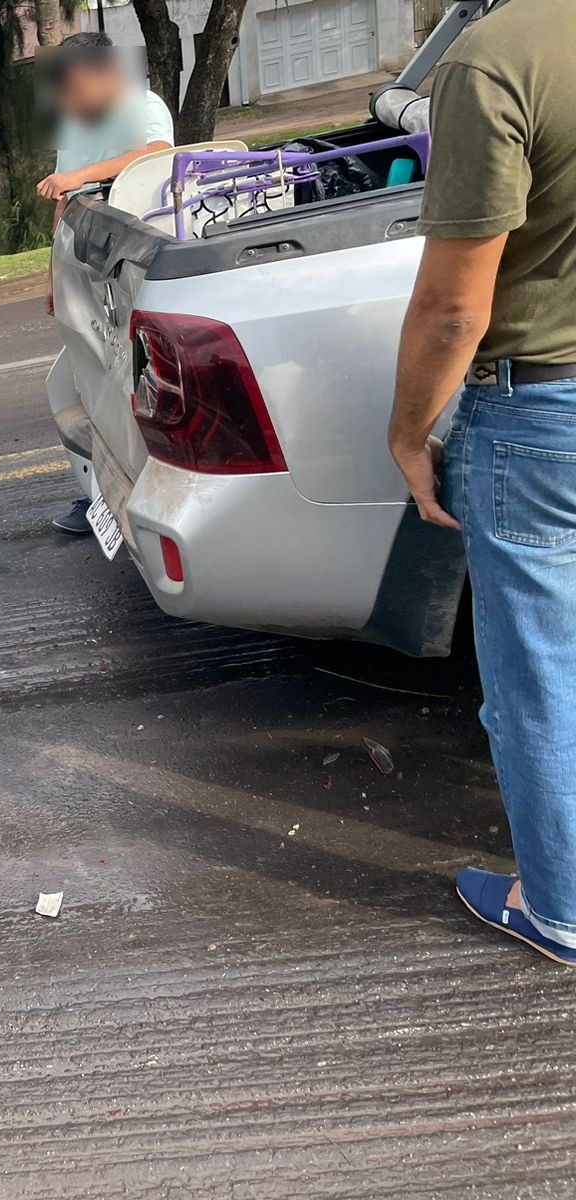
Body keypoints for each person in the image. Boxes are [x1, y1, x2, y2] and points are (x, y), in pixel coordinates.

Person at [387, 0, 576, 963]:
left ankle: (562, 910)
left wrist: (408, 432)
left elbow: (454, 310)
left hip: (543, 410)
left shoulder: (498, 58)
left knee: (541, 676)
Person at [37, 32, 173, 535]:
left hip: (132, 273)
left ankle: (144, 504)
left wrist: (82, 176)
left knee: (132, 393)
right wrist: (53, 276)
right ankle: (99, 499)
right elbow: (63, 203)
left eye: (76, 88)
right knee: (80, 388)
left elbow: (157, 153)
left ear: (109, 73)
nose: (69, 102)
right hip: (86, 274)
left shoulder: (141, 105)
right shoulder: (74, 123)